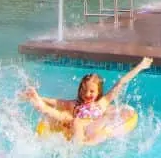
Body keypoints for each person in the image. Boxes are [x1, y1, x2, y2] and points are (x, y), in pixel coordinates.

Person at [20, 57, 153, 143]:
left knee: (76, 121)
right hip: (75, 127)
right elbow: (56, 102)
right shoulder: (75, 104)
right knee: (66, 116)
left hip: (92, 127)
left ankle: (76, 148)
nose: (87, 94)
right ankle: (39, 104)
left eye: (91, 91)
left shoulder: (102, 103)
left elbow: (121, 83)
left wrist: (140, 67)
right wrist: (40, 97)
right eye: (84, 91)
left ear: (98, 91)